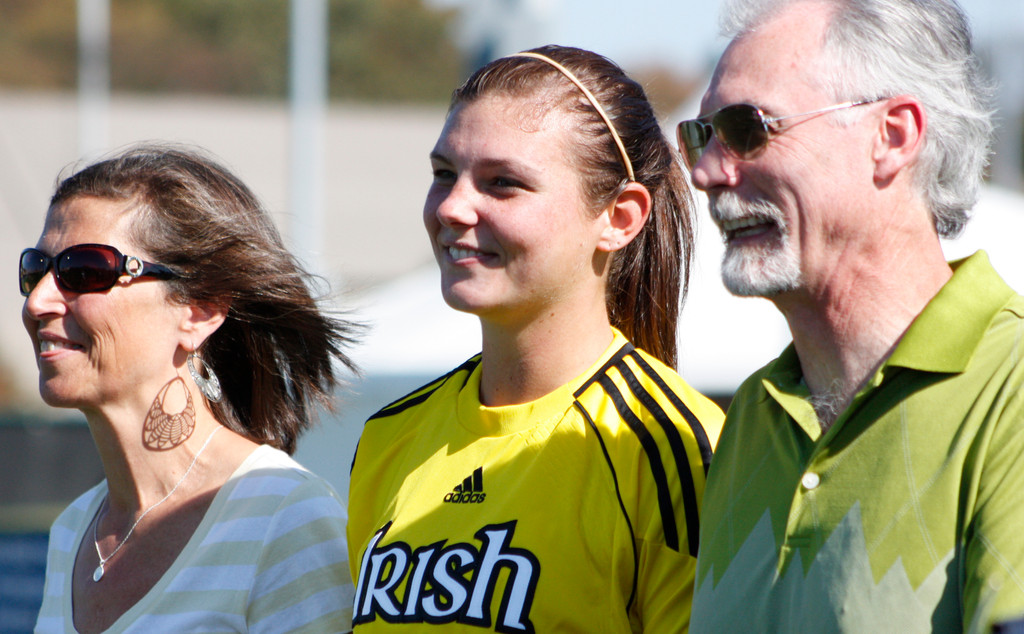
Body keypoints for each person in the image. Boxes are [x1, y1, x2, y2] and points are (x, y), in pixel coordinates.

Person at [346, 44, 724, 632]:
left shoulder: (670, 445)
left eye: (502, 183)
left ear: (620, 218)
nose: (452, 206)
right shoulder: (389, 437)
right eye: (444, 174)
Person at [678, 0, 1024, 631]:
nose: (705, 172)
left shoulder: (1012, 386)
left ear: (892, 136)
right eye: (699, 136)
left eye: (746, 128)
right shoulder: (756, 412)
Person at [26, 144, 358, 633]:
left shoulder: (284, 518)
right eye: (35, 269)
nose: (38, 302)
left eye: (85, 271)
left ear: (199, 310)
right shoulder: (73, 531)